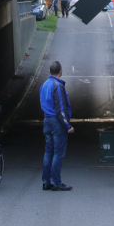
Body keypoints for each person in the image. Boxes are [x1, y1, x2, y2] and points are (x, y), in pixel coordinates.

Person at [40, 61, 73, 191]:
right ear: (61, 71)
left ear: (49, 72)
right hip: (56, 122)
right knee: (58, 153)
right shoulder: (57, 86)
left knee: (48, 152)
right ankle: (57, 182)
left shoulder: (44, 85)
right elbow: (60, 109)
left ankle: (46, 182)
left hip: (47, 120)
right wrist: (67, 125)